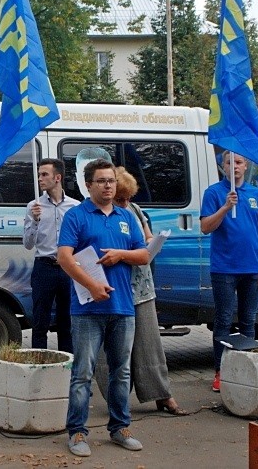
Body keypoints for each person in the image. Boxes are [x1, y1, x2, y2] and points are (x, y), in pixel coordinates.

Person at [57, 159, 151, 457]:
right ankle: (77, 432)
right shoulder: (76, 216)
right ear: (88, 185)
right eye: (101, 181)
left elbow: (144, 254)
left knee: (121, 372)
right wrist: (92, 285)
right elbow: (64, 257)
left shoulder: (126, 216)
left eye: (111, 180)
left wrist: (122, 254)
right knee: (83, 373)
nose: (108, 185)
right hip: (87, 311)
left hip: (123, 306)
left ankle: (120, 427)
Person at [93, 167, 188, 415]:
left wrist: (150, 244)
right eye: (120, 199)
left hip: (142, 287)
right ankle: (117, 398)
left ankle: (162, 394)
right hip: (115, 287)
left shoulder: (134, 210)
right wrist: (132, 253)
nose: (126, 203)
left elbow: (145, 241)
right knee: (113, 347)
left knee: (149, 343)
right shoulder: (103, 215)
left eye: (128, 198)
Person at [200, 150, 258, 393]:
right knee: (223, 321)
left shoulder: (255, 194)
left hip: (251, 267)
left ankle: (247, 371)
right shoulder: (214, 192)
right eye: (230, 163)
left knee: (249, 322)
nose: (235, 167)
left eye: (239, 162)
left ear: (246, 165)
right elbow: (205, 227)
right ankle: (221, 372)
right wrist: (225, 207)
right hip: (224, 269)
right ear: (223, 166)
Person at [22, 158, 78, 352]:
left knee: (66, 323)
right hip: (44, 267)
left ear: (58, 177)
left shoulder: (75, 207)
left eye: (44, 174)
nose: (40, 179)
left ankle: (68, 369)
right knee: (40, 323)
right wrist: (35, 220)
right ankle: (39, 366)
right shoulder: (33, 206)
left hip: (67, 268)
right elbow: (28, 244)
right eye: (39, 175)